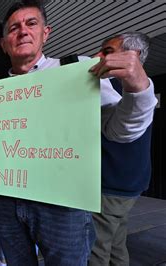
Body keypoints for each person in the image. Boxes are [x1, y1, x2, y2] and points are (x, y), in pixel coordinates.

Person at [0, 1, 157, 265]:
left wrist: (139, 90)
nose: (23, 31)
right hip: (7, 201)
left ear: (46, 33)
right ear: (4, 43)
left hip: (62, 207)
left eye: (31, 23)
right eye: (14, 28)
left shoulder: (77, 69)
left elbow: (119, 130)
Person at [89, 32, 154, 266]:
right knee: (116, 243)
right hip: (130, 185)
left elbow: (124, 125)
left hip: (112, 186)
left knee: (96, 248)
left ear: (133, 56)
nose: (99, 56)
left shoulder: (130, 89)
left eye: (107, 51)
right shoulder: (119, 86)